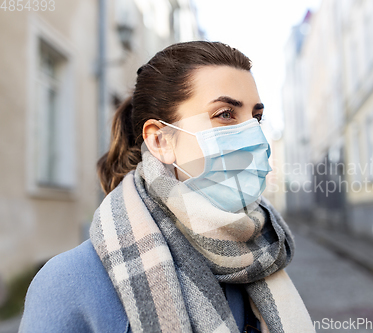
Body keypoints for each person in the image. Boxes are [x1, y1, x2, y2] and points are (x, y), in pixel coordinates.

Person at [19, 41, 315, 333]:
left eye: (256, 118)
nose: (255, 137)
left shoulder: (260, 255)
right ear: (160, 141)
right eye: (225, 114)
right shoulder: (69, 284)